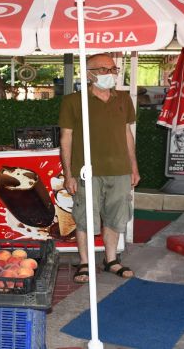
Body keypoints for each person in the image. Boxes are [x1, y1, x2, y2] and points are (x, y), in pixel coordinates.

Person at [59, 53, 140, 283]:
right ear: (89, 74)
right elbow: (66, 138)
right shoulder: (73, 101)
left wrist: (133, 166)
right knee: (85, 217)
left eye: (113, 69)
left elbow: (127, 134)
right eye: (104, 69)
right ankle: (85, 262)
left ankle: (111, 260)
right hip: (86, 171)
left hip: (120, 170)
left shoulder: (124, 99)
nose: (110, 74)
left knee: (117, 216)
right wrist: (68, 174)